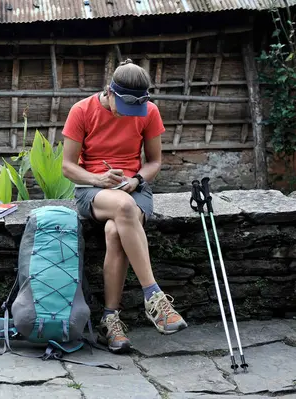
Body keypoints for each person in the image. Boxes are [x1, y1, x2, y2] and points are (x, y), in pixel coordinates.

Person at [61, 59, 188, 354]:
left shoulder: (150, 112)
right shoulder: (81, 111)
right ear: (109, 91)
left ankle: (110, 320)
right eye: (124, 107)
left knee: (115, 232)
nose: (130, 115)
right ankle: (154, 296)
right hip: (93, 191)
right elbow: (67, 167)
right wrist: (98, 178)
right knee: (125, 209)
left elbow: (155, 161)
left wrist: (137, 180)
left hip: (134, 189)